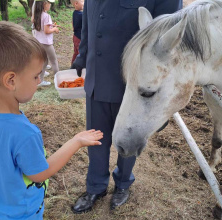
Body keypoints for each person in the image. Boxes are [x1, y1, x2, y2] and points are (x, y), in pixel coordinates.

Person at [0, 21, 103, 220]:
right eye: (36, 76)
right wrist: (75, 141)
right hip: (24, 213)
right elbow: (40, 174)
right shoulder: (25, 132)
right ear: (11, 80)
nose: (38, 81)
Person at [70, 0, 183, 213]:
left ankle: (122, 183)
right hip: (96, 79)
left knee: (128, 139)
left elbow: (169, 43)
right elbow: (88, 24)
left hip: (131, 87)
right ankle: (96, 186)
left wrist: (164, 97)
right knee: (95, 138)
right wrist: (82, 57)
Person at [33, 0, 59, 87]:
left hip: (38, 42)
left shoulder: (36, 15)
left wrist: (51, 25)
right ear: (44, 4)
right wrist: (54, 29)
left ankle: (40, 80)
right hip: (46, 43)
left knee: (44, 61)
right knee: (54, 61)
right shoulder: (46, 16)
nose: (50, 5)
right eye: (49, 3)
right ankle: (58, 80)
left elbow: (42, 27)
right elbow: (47, 31)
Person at [70, 0, 84, 65]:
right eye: (82, 1)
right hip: (79, 38)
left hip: (75, 36)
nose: (84, 3)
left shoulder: (75, 13)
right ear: (76, 3)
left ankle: (73, 64)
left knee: (76, 52)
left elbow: (73, 24)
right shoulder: (81, 15)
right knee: (80, 53)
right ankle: (78, 66)